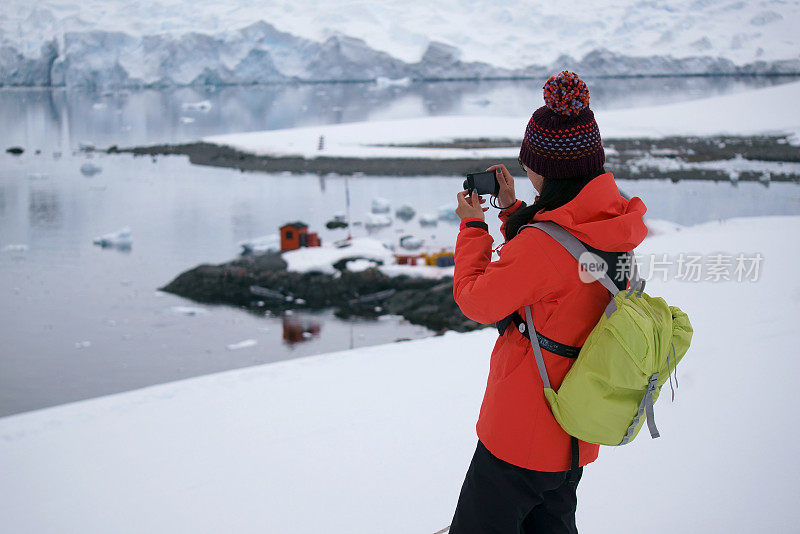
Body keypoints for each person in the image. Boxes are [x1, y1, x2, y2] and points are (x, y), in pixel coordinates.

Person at [448, 71, 648, 533]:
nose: (527, 172)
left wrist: (474, 228)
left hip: (521, 432)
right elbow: (564, 270)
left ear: (549, 169)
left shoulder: (542, 246)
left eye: (530, 163)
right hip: (574, 427)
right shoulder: (612, 221)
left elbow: (477, 301)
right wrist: (516, 212)